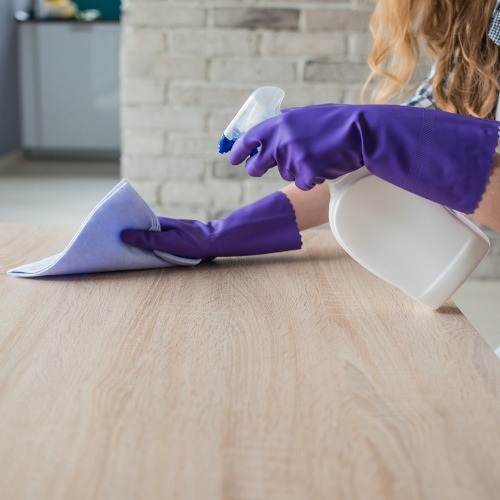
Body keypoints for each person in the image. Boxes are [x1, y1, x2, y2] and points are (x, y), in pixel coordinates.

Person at [122, 0, 500, 260]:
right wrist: (222, 233)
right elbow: (383, 165)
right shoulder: (474, 41)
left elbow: (399, 148)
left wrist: (370, 134)